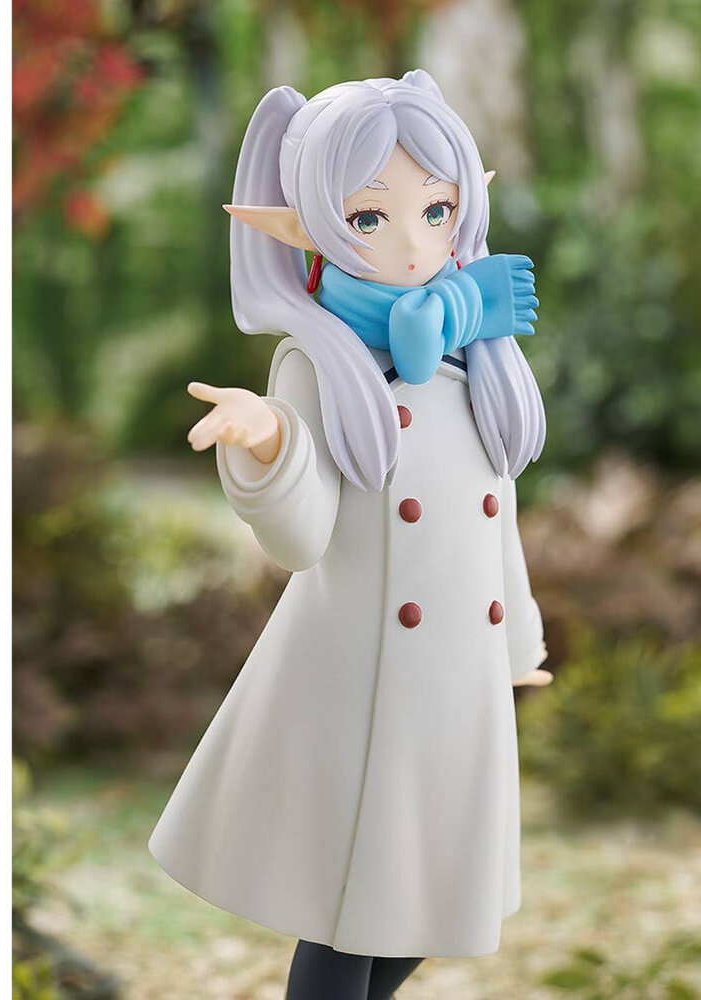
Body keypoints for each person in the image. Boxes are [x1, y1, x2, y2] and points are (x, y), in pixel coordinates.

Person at [148, 70, 553, 1000]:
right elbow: (303, 540)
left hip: (457, 677)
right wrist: (269, 443)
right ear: (310, 225)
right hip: (366, 681)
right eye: (371, 216)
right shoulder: (319, 362)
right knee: (350, 920)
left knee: (429, 905)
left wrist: (517, 642)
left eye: (436, 209)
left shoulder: (477, 354)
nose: (412, 243)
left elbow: (495, 519)